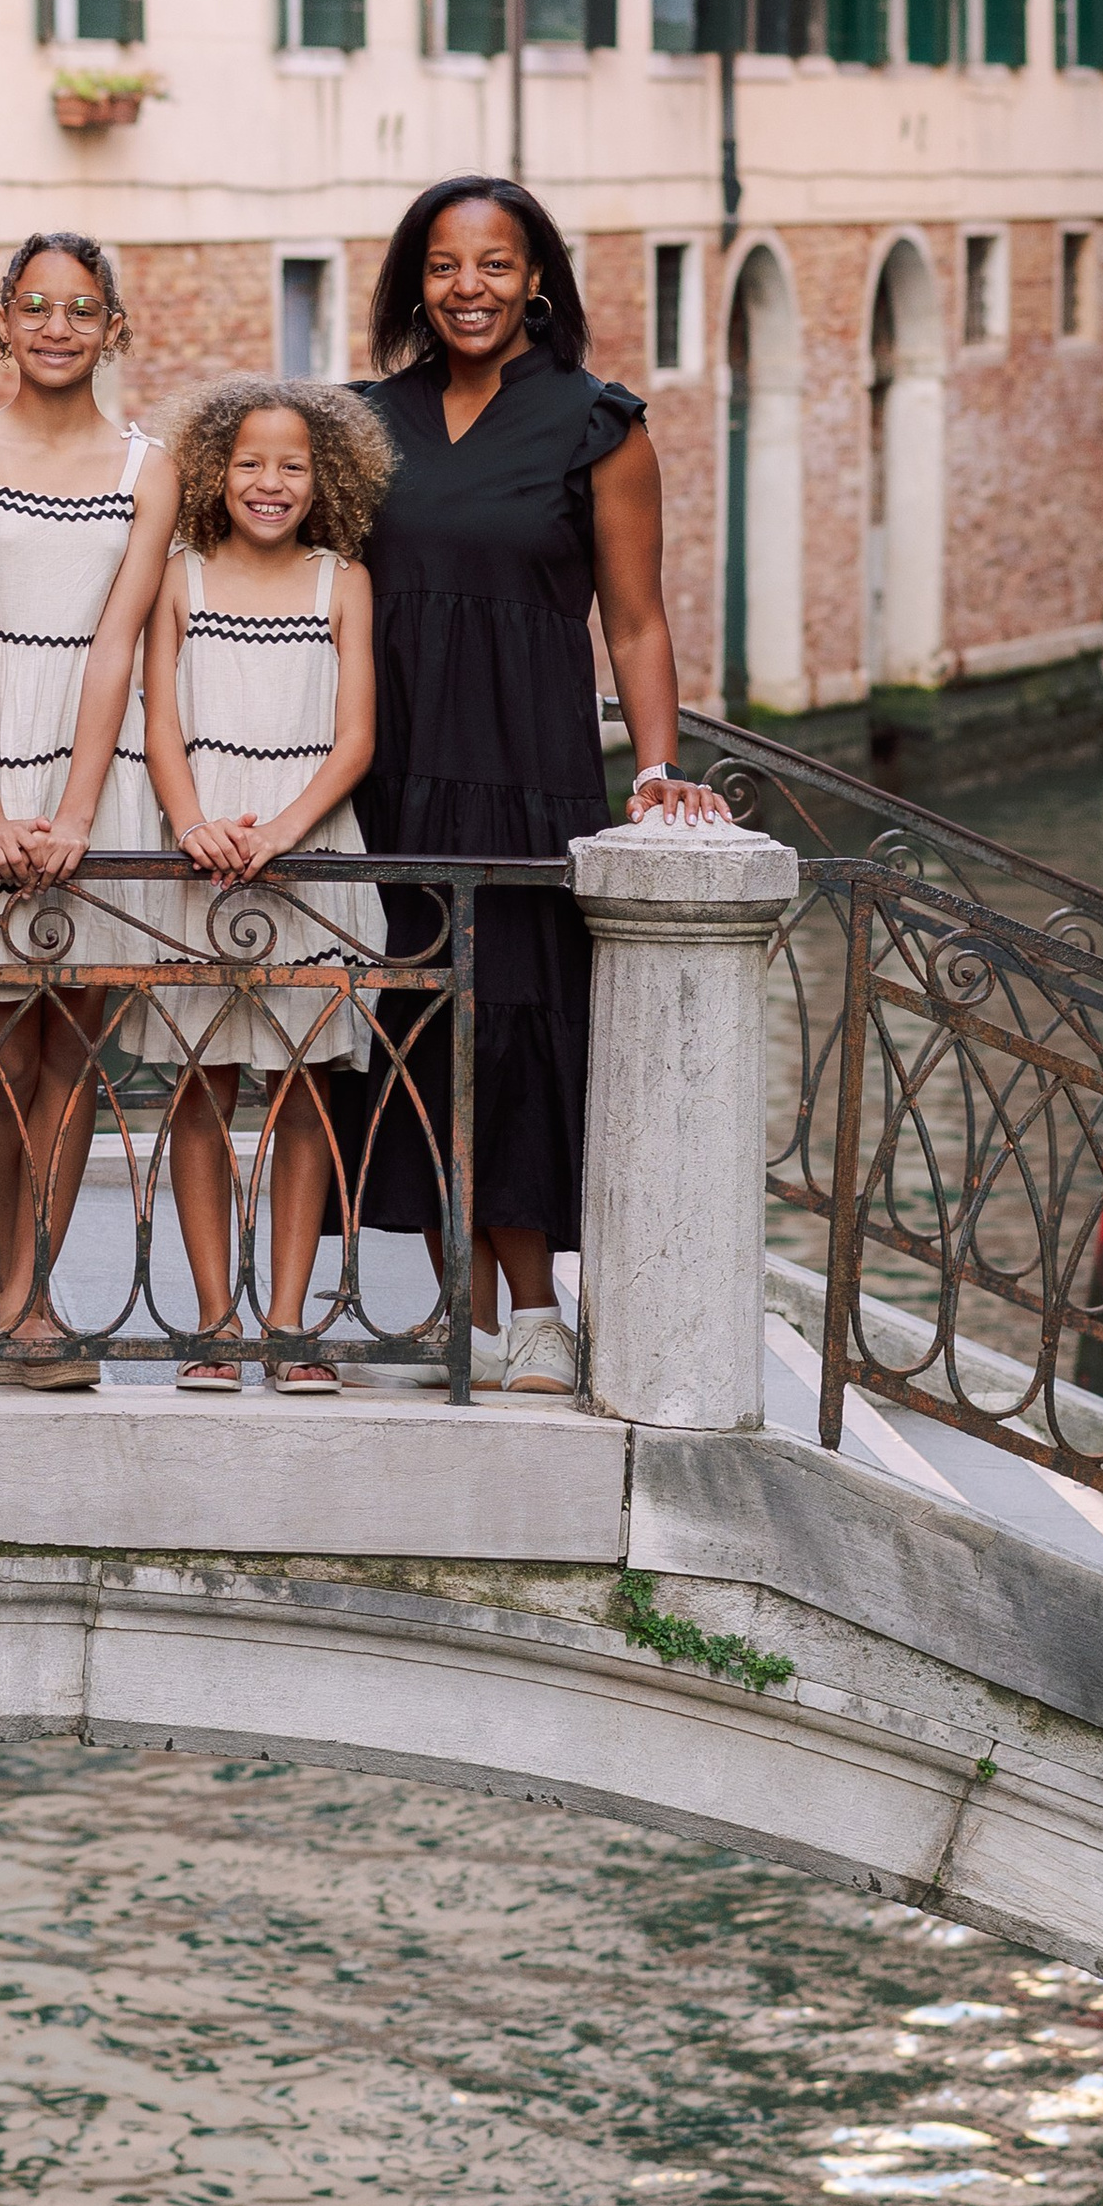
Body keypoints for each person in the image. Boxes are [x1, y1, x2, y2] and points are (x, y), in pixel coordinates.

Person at [356, 175, 729, 1396]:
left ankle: (534, 1311)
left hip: (525, 768)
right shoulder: (363, 423)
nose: (470, 287)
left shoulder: (596, 425)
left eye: (496, 264)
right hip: (391, 778)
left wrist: (660, 766)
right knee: (407, 1025)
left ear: (537, 281)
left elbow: (633, 619)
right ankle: (452, 1310)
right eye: (447, 265)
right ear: (417, 279)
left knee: (513, 1021)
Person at [0, 231, 176, 1385]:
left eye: (81, 308)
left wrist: (76, 809)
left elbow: (119, 643)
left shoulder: (148, 466)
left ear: (112, 327)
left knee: (73, 1046)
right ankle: (9, 1291)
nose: (59, 326)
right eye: (37, 306)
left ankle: (31, 1295)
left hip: (98, 768)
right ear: (5, 323)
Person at [140, 378, 392, 1396]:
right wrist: (193, 819)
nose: (270, 481)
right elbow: (157, 722)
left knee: (302, 1096)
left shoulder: (345, 582)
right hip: (198, 861)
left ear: (322, 475)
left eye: (291, 464)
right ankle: (214, 1319)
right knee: (198, 1092)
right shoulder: (178, 577)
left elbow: (358, 736)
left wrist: (288, 829)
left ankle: (288, 1321)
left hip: (314, 861)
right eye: (250, 461)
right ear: (216, 470)